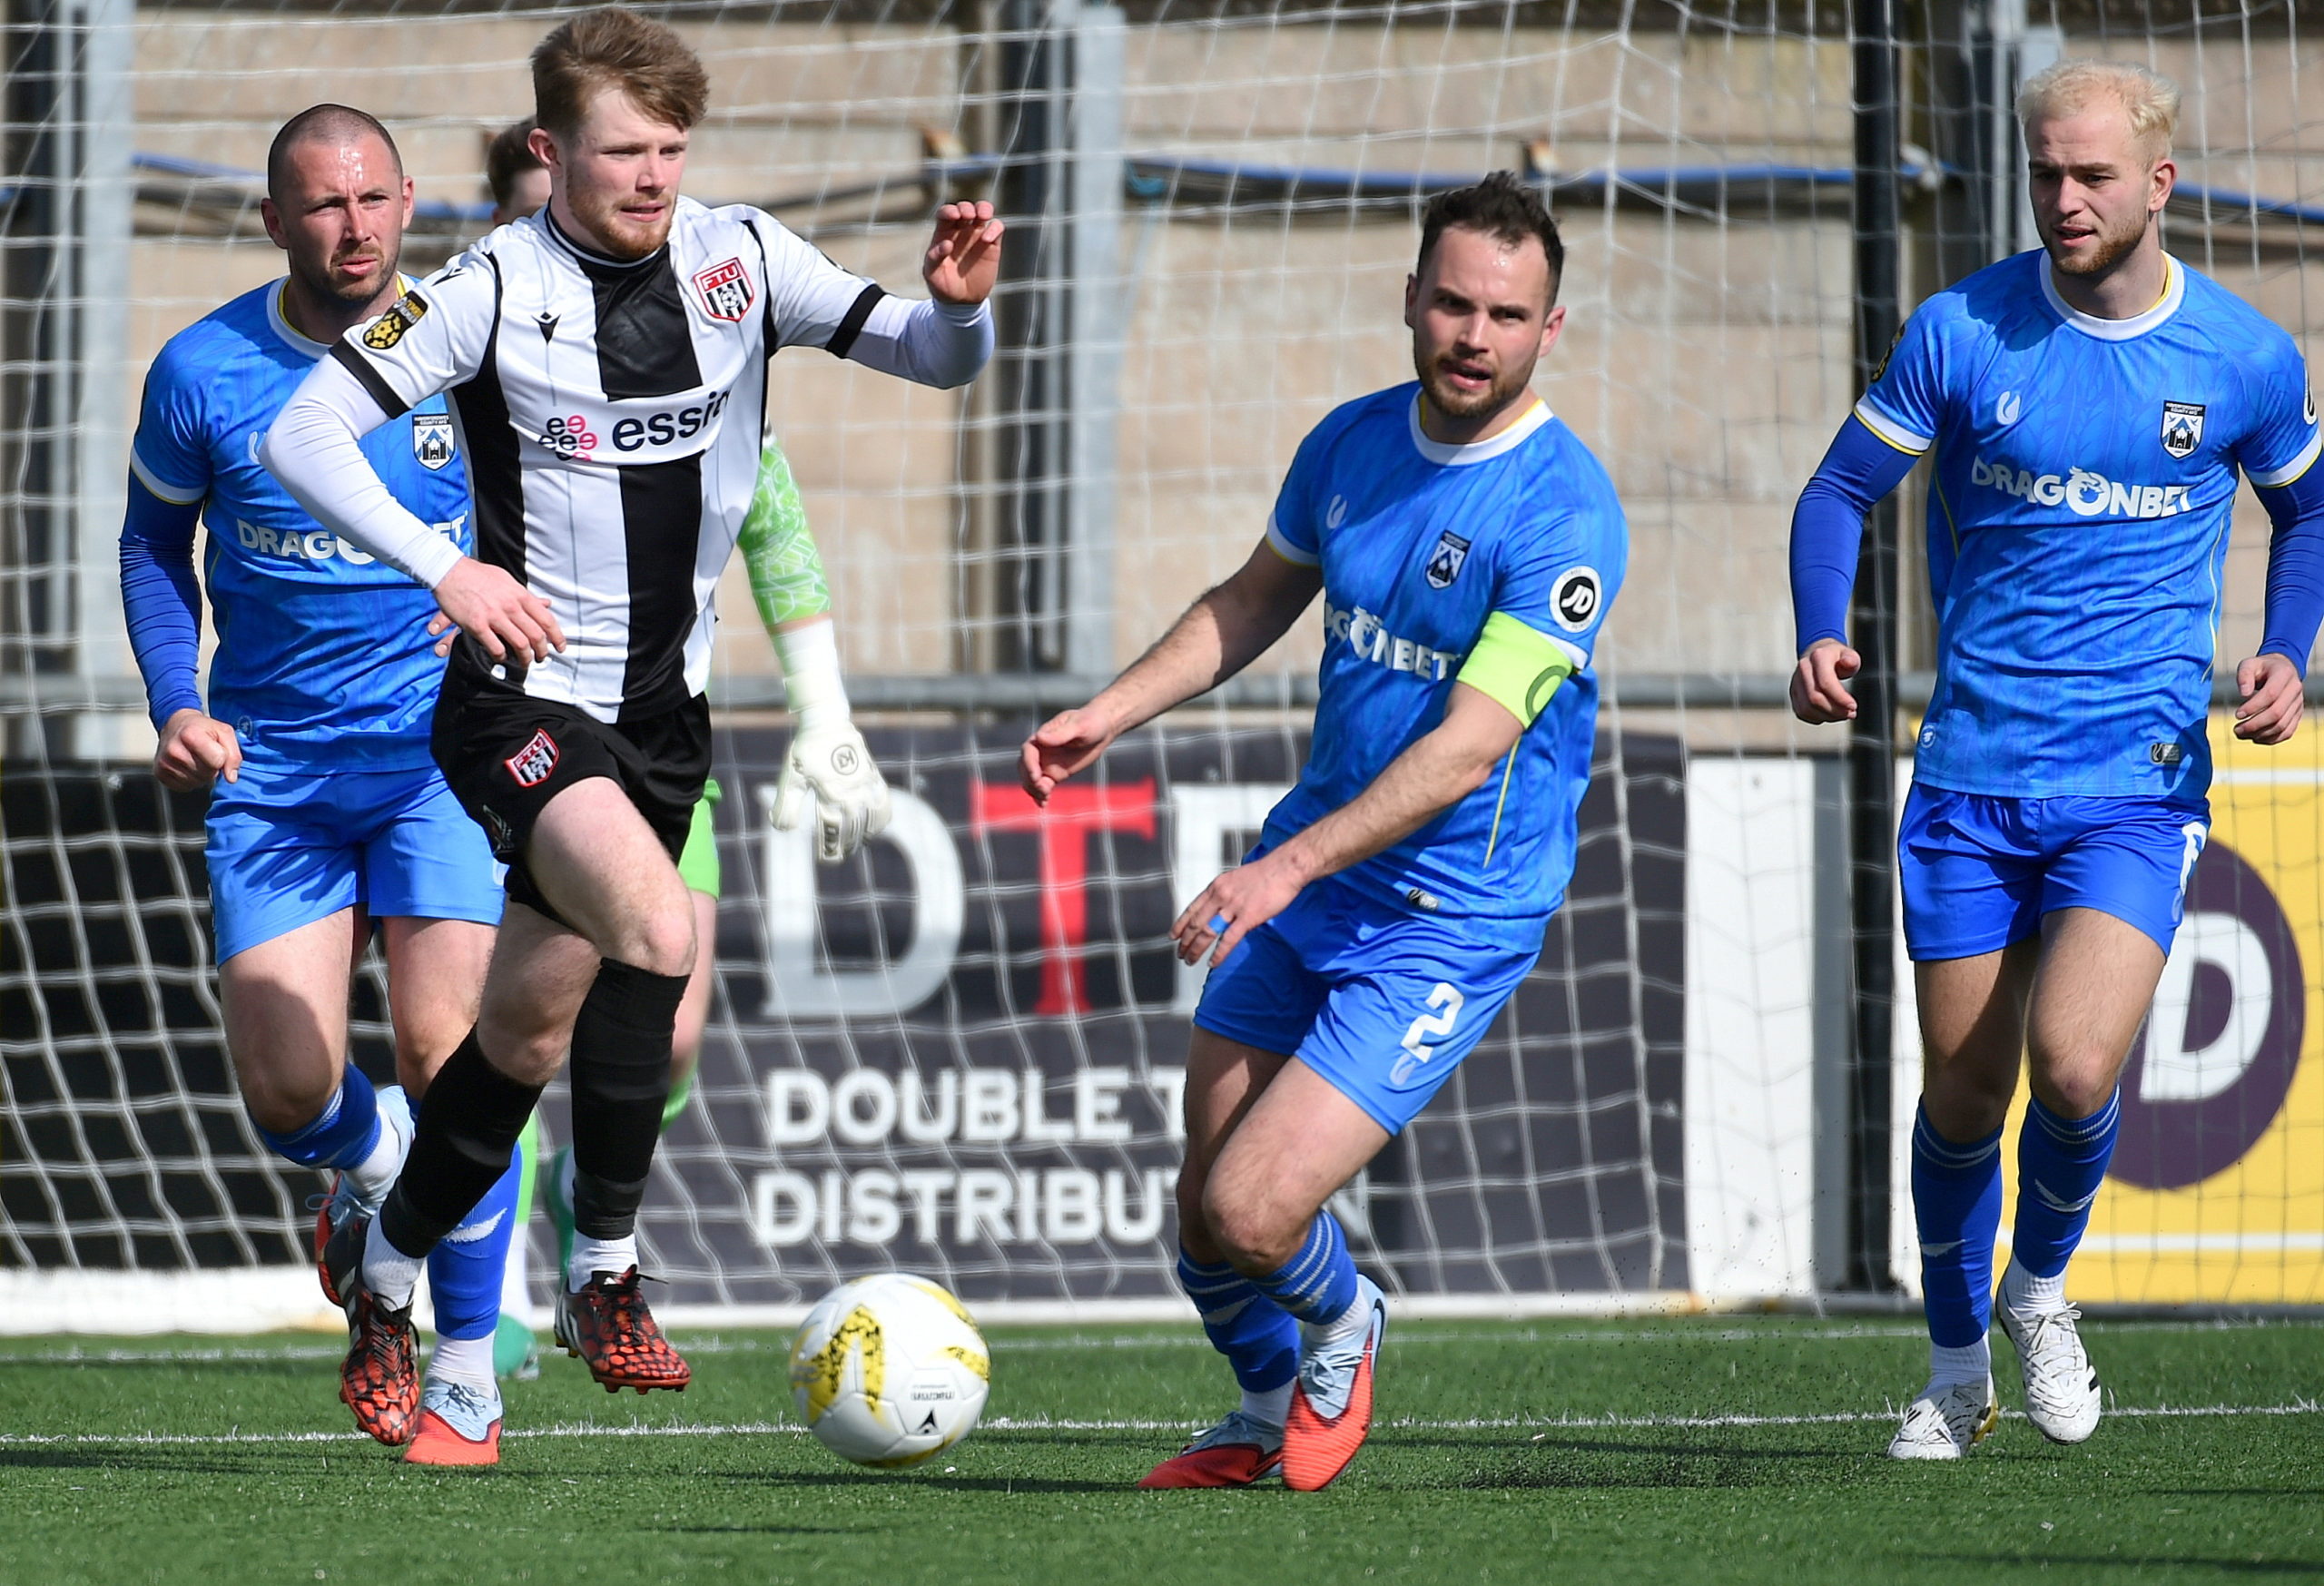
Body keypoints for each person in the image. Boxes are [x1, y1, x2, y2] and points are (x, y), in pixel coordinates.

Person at [261, 5, 998, 1441]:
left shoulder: (744, 256)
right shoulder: (487, 286)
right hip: (521, 704)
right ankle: (605, 1271)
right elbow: (302, 433)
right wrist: (447, 571)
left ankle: (387, 1271)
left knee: (521, 1039)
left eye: (671, 149)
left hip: (666, 719)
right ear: (552, 150)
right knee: (662, 934)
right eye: (622, 152)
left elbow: (931, 355)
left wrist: (958, 309)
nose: (653, 177)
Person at [1020, 172, 1625, 1492]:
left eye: (1505, 316)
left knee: (1255, 1210)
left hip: (1450, 912)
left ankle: (1348, 1323)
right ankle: (1256, 1412)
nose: (1473, 336)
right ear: (1409, 299)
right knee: (1203, 1217)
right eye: (1453, 304)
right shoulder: (1350, 443)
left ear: (1549, 330)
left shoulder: (1564, 511)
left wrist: (1279, 868)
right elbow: (1252, 600)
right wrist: (1107, 713)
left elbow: (1469, 748)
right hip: (1317, 874)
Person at [1787, 59, 2324, 1460]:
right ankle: (1953, 1369)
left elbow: (2309, 510)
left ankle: (2037, 1292)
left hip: (2137, 785)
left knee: (2076, 1069)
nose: (2064, 198)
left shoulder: (2244, 358)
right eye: (2044, 172)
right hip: (1970, 774)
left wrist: (2287, 646)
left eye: (2091, 175)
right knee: (1967, 1098)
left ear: (2159, 184)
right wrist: (1820, 629)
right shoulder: (1964, 331)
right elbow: (1840, 489)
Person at [119, 104, 524, 1464]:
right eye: (323, 205)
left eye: (373, 200)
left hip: (437, 762)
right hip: (273, 769)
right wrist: (177, 703)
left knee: (451, 1055)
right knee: (290, 1088)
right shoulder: (202, 370)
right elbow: (150, 547)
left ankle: (461, 1370)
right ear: (276, 219)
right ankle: (373, 1170)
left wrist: (499, 606)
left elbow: (549, 508)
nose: (354, 229)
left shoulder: (468, 349)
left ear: (408, 200)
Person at [478, 113, 886, 1298]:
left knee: (676, 1029)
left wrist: (824, 716)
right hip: (504, 733)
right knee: (501, 1036)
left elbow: (774, 523)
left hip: (650, 734)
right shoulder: (463, 347)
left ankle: (582, 1196)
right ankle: (483, 1308)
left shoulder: (690, 359)